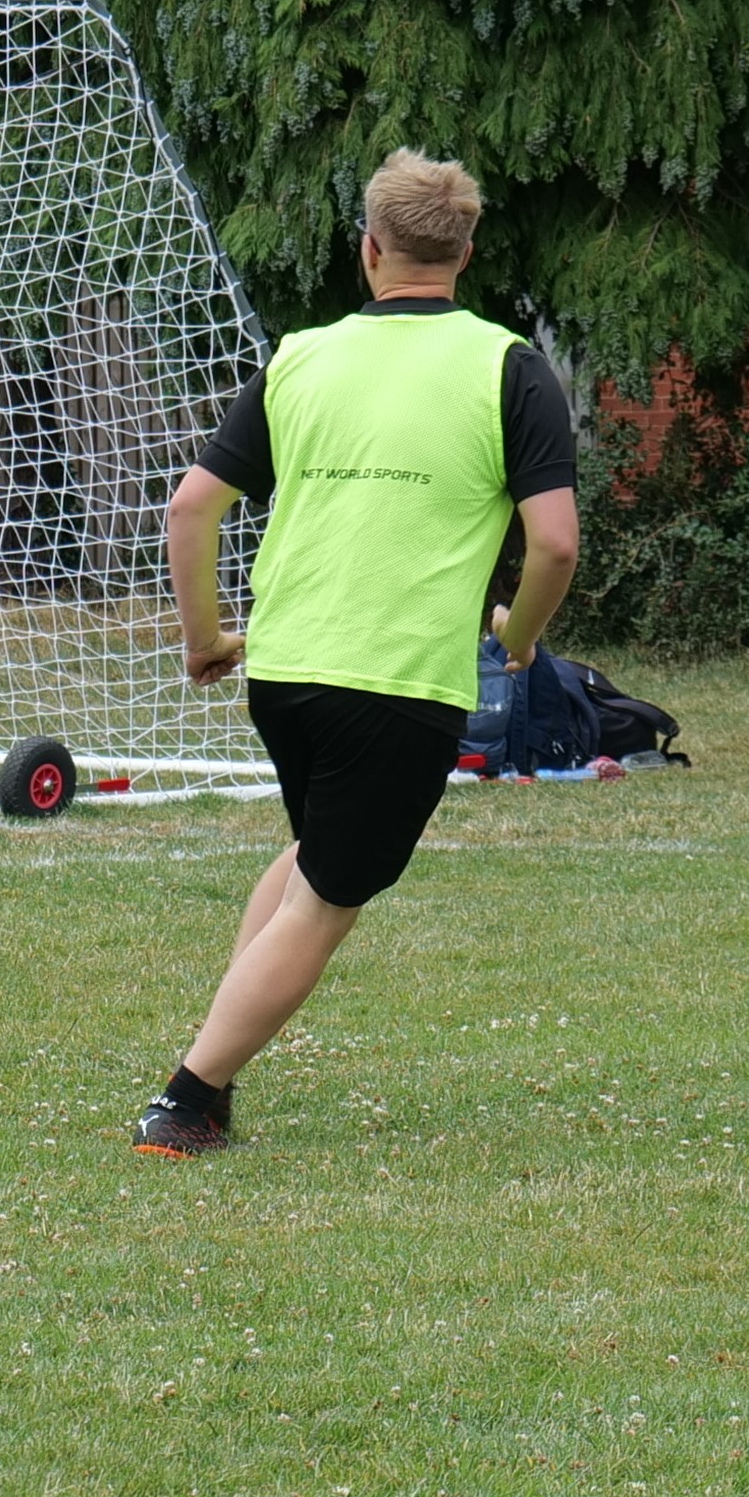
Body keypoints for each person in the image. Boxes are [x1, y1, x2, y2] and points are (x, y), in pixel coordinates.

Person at [135, 149, 580, 1157]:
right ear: (464, 253)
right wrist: (520, 635)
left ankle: (218, 1071)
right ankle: (188, 1097)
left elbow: (193, 506)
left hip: (285, 673)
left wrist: (206, 640)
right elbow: (553, 543)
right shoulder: (508, 366)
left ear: (369, 251)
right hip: (397, 684)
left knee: (310, 862)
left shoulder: (300, 355)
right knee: (332, 898)